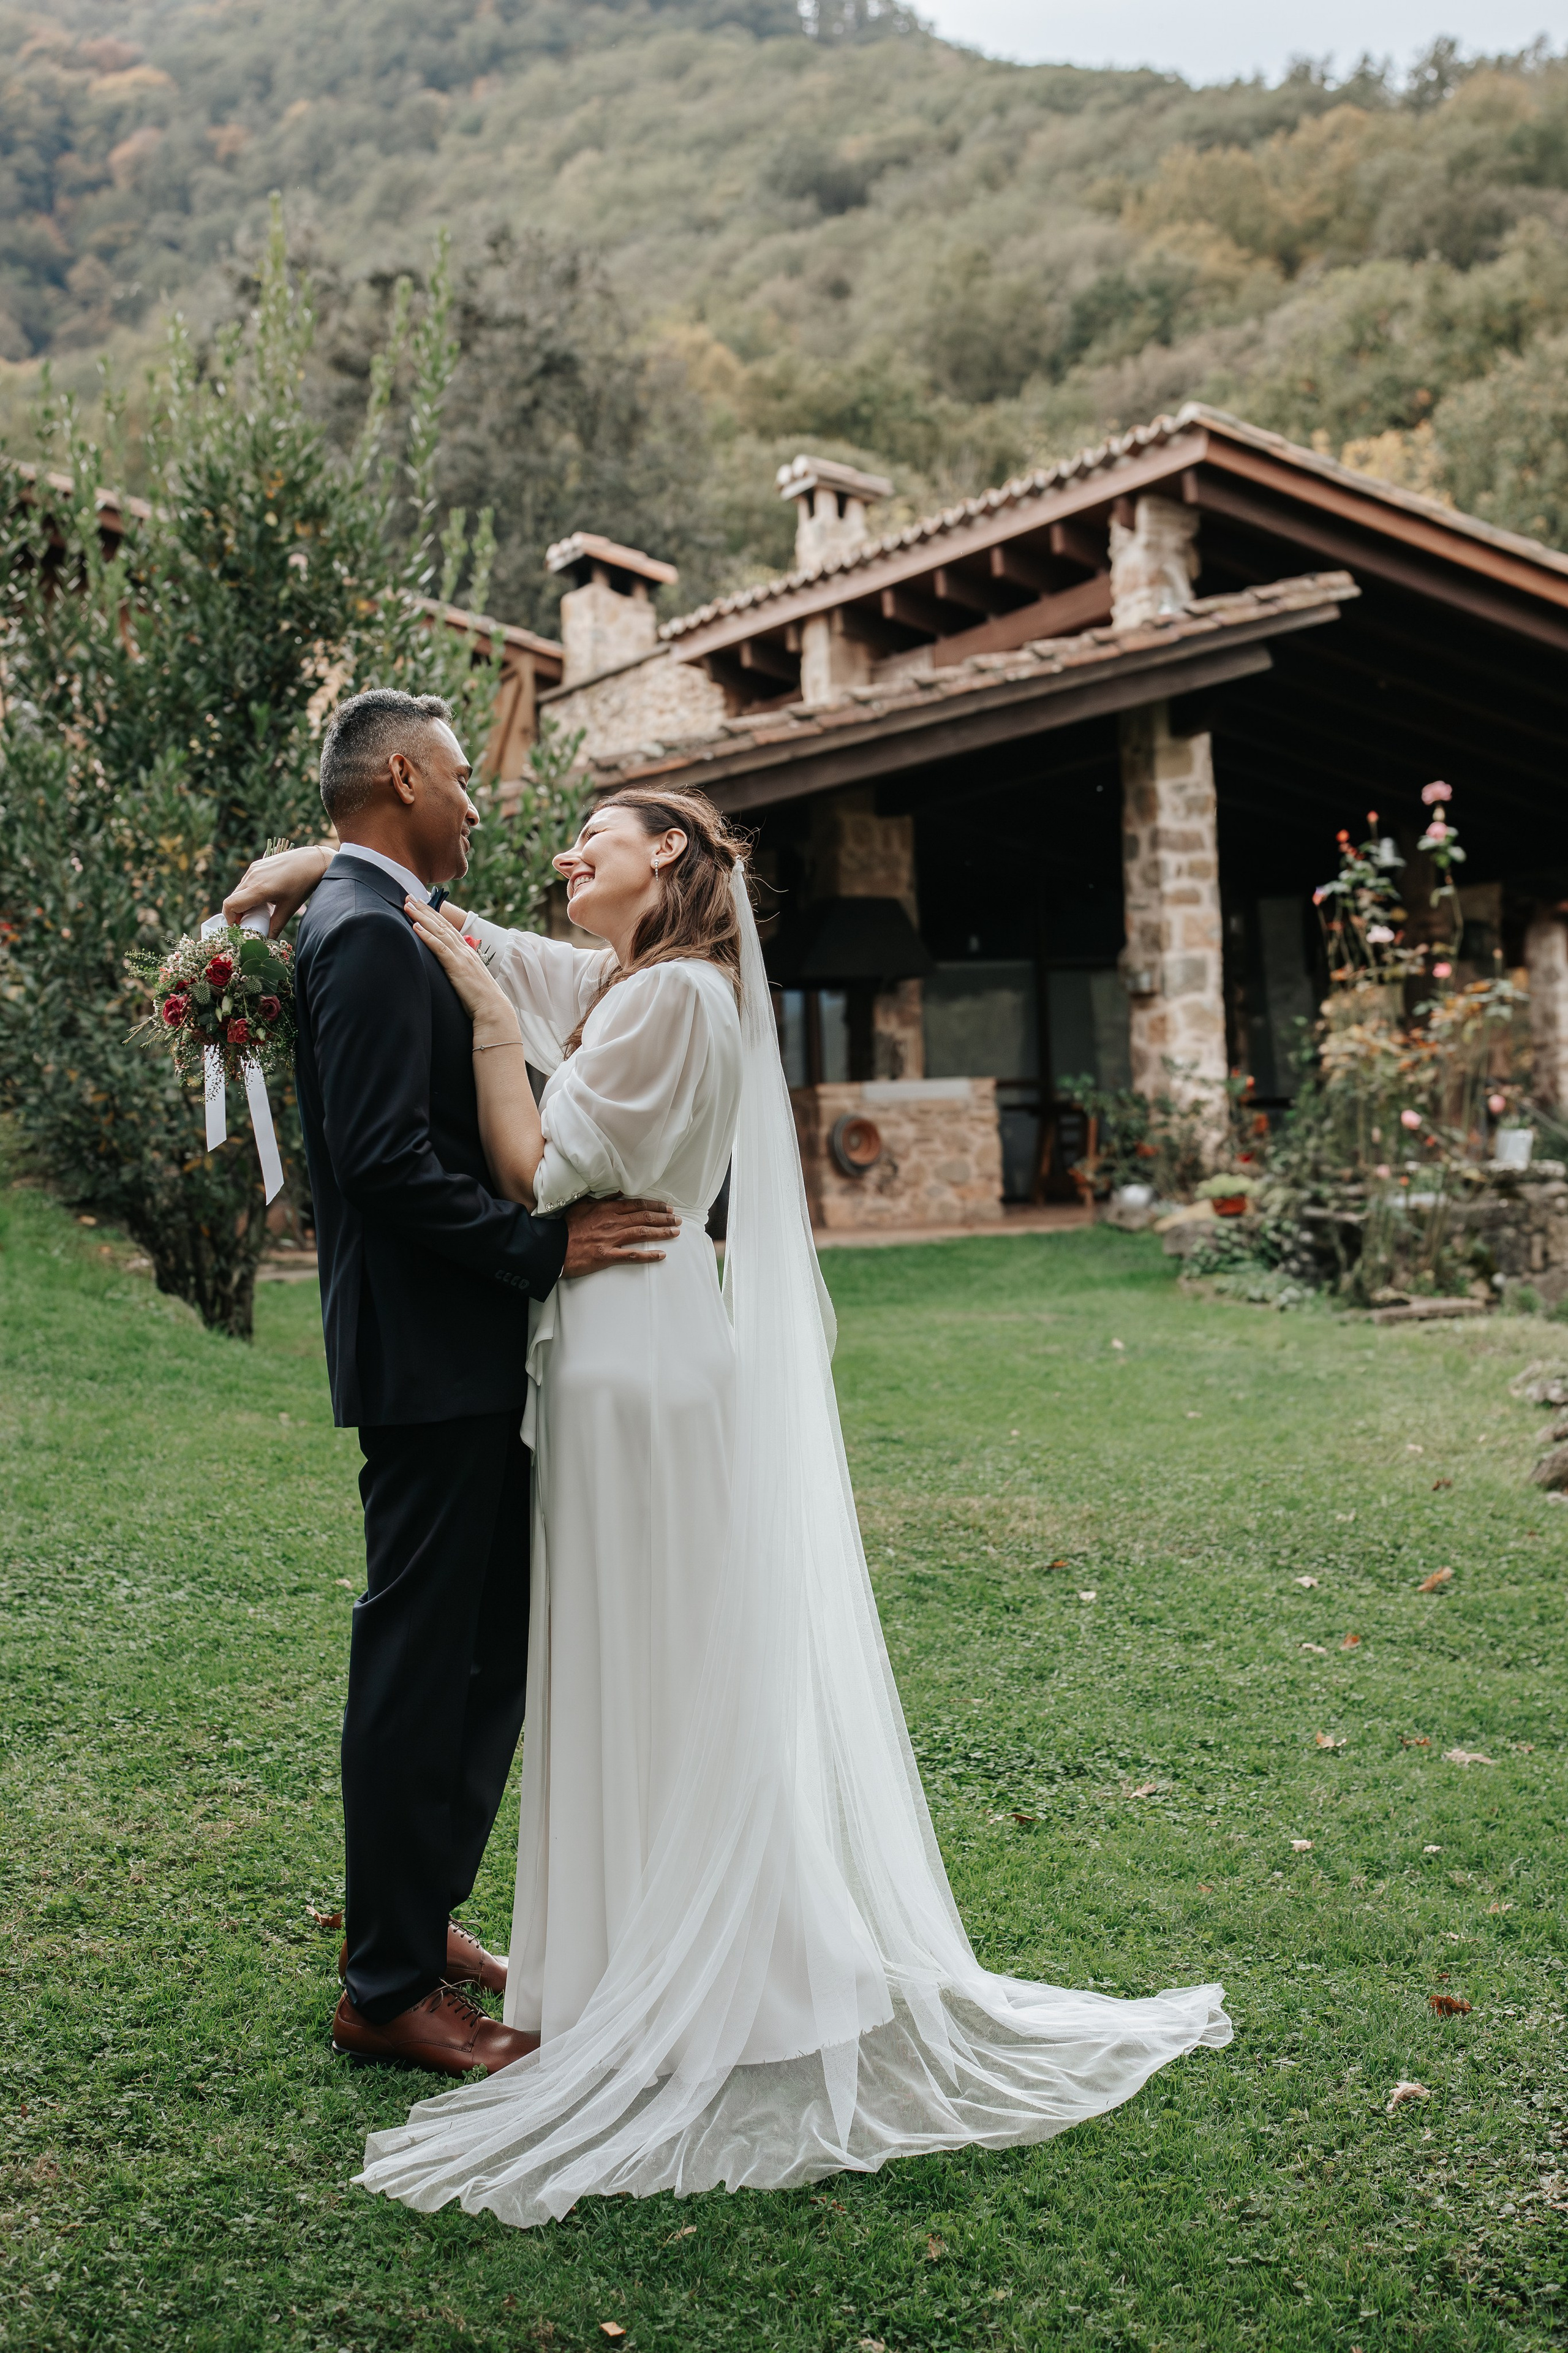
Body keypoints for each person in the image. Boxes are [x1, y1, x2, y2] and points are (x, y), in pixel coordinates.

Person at [233, 778, 1231, 2229]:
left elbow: (537, 1170)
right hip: (621, 1350)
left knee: (651, 1652)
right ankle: (641, 1937)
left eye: (600, 834)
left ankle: (692, 1951)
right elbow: (468, 930)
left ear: (674, 859)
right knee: (639, 1647)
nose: (568, 850)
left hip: (631, 1358)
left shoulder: (669, 1004)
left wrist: (503, 1040)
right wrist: (325, 858)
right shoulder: (634, 981)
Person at [228, 689, 679, 2081]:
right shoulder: (361, 935)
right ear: (408, 777)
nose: (482, 808)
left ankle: (415, 1926)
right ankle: (382, 1988)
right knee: (423, 1660)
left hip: (469, 1353)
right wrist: (540, 1246)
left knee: (486, 1655)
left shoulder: (381, 909)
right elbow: (379, 1168)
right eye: (464, 785)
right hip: (431, 1359)